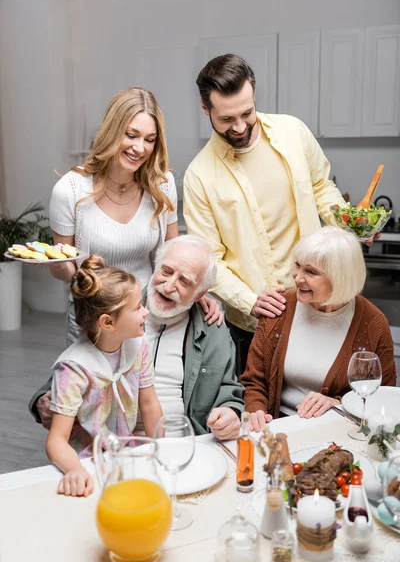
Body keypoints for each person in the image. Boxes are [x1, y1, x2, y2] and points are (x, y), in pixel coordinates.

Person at [183, 53, 347, 374]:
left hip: (320, 304)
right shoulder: (199, 176)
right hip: (255, 325)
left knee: (323, 405)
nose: (240, 126)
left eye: (247, 112)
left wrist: (350, 224)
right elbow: (209, 260)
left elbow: (321, 186)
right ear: (206, 109)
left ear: (254, 91)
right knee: (260, 416)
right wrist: (248, 300)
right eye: (227, 119)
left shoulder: (293, 132)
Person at [49, 87, 220, 345]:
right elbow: (67, 272)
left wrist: (195, 292)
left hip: (147, 318)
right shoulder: (70, 190)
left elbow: (173, 255)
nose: (140, 148)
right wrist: (56, 263)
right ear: (112, 130)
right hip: (93, 320)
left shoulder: (162, 186)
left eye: (150, 139)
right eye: (131, 135)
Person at [30, 235, 244, 442]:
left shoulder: (213, 329)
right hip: (109, 443)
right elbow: (77, 364)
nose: (168, 286)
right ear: (155, 266)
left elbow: (229, 390)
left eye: (185, 282)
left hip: (181, 442)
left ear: (200, 293)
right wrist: (44, 399)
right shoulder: (116, 308)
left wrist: (230, 412)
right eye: (166, 271)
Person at [240, 227, 397, 432]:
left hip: (337, 430)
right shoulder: (279, 306)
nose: (297, 278)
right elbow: (253, 381)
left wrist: (338, 403)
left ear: (340, 277)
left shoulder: (373, 322)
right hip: (276, 428)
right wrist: (255, 410)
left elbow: (383, 395)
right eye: (298, 265)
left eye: (311, 272)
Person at [45, 255, 162, 497]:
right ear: (107, 322)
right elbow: (56, 440)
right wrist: (75, 470)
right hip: (88, 460)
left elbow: (149, 404)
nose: (146, 312)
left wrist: (162, 451)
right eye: (138, 307)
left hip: (127, 451)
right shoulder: (74, 368)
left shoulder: (138, 345)